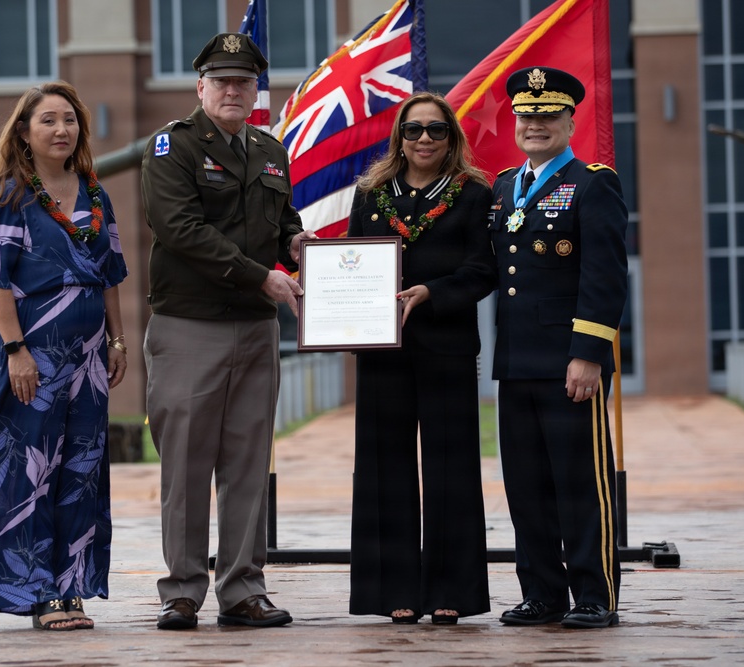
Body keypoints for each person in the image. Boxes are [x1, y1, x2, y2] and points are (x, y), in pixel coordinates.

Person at [140, 32, 314, 631]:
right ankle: (182, 590)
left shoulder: (269, 149)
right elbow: (181, 228)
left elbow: (281, 219)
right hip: (191, 325)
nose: (234, 90)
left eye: (244, 81)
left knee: (246, 463)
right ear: (201, 87)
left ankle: (242, 588)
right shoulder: (173, 147)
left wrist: (296, 242)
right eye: (223, 81)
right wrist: (259, 274)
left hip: (256, 328)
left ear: (255, 90)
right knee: (186, 464)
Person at [0, 81, 129, 631]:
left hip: (89, 359)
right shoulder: (10, 195)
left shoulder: (96, 194)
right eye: (48, 120)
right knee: (28, 473)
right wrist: (17, 351)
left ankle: (71, 586)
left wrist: (116, 342)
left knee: (81, 469)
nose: (61, 130)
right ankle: (37, 590)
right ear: (24, 132)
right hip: (30, 357)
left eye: (69, 120)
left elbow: (111, 275)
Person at [346, 92, 497, 625]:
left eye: (436, 130)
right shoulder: (369, 195)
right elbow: (352, 263)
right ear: (399, 139)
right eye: (414, 130)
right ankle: (394, 591)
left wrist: (432, 291)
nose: (425, 139)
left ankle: (451, 589)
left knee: (450, 466)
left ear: (452, 137)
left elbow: (484, 270)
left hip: (447, 347)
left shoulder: (474, 195)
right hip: (383, 350)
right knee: (384, 468)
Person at [490, 66, 628, 629]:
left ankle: (594, 596)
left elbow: (605, 275)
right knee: (526, 488)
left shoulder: (594, 183)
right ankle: (543, 593)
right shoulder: (502, 186)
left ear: (570, 119)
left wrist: (589, 353)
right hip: (515, 361)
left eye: (548, 116)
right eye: (527, 116)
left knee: (579, 485)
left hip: (571, 363)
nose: (536, 125)